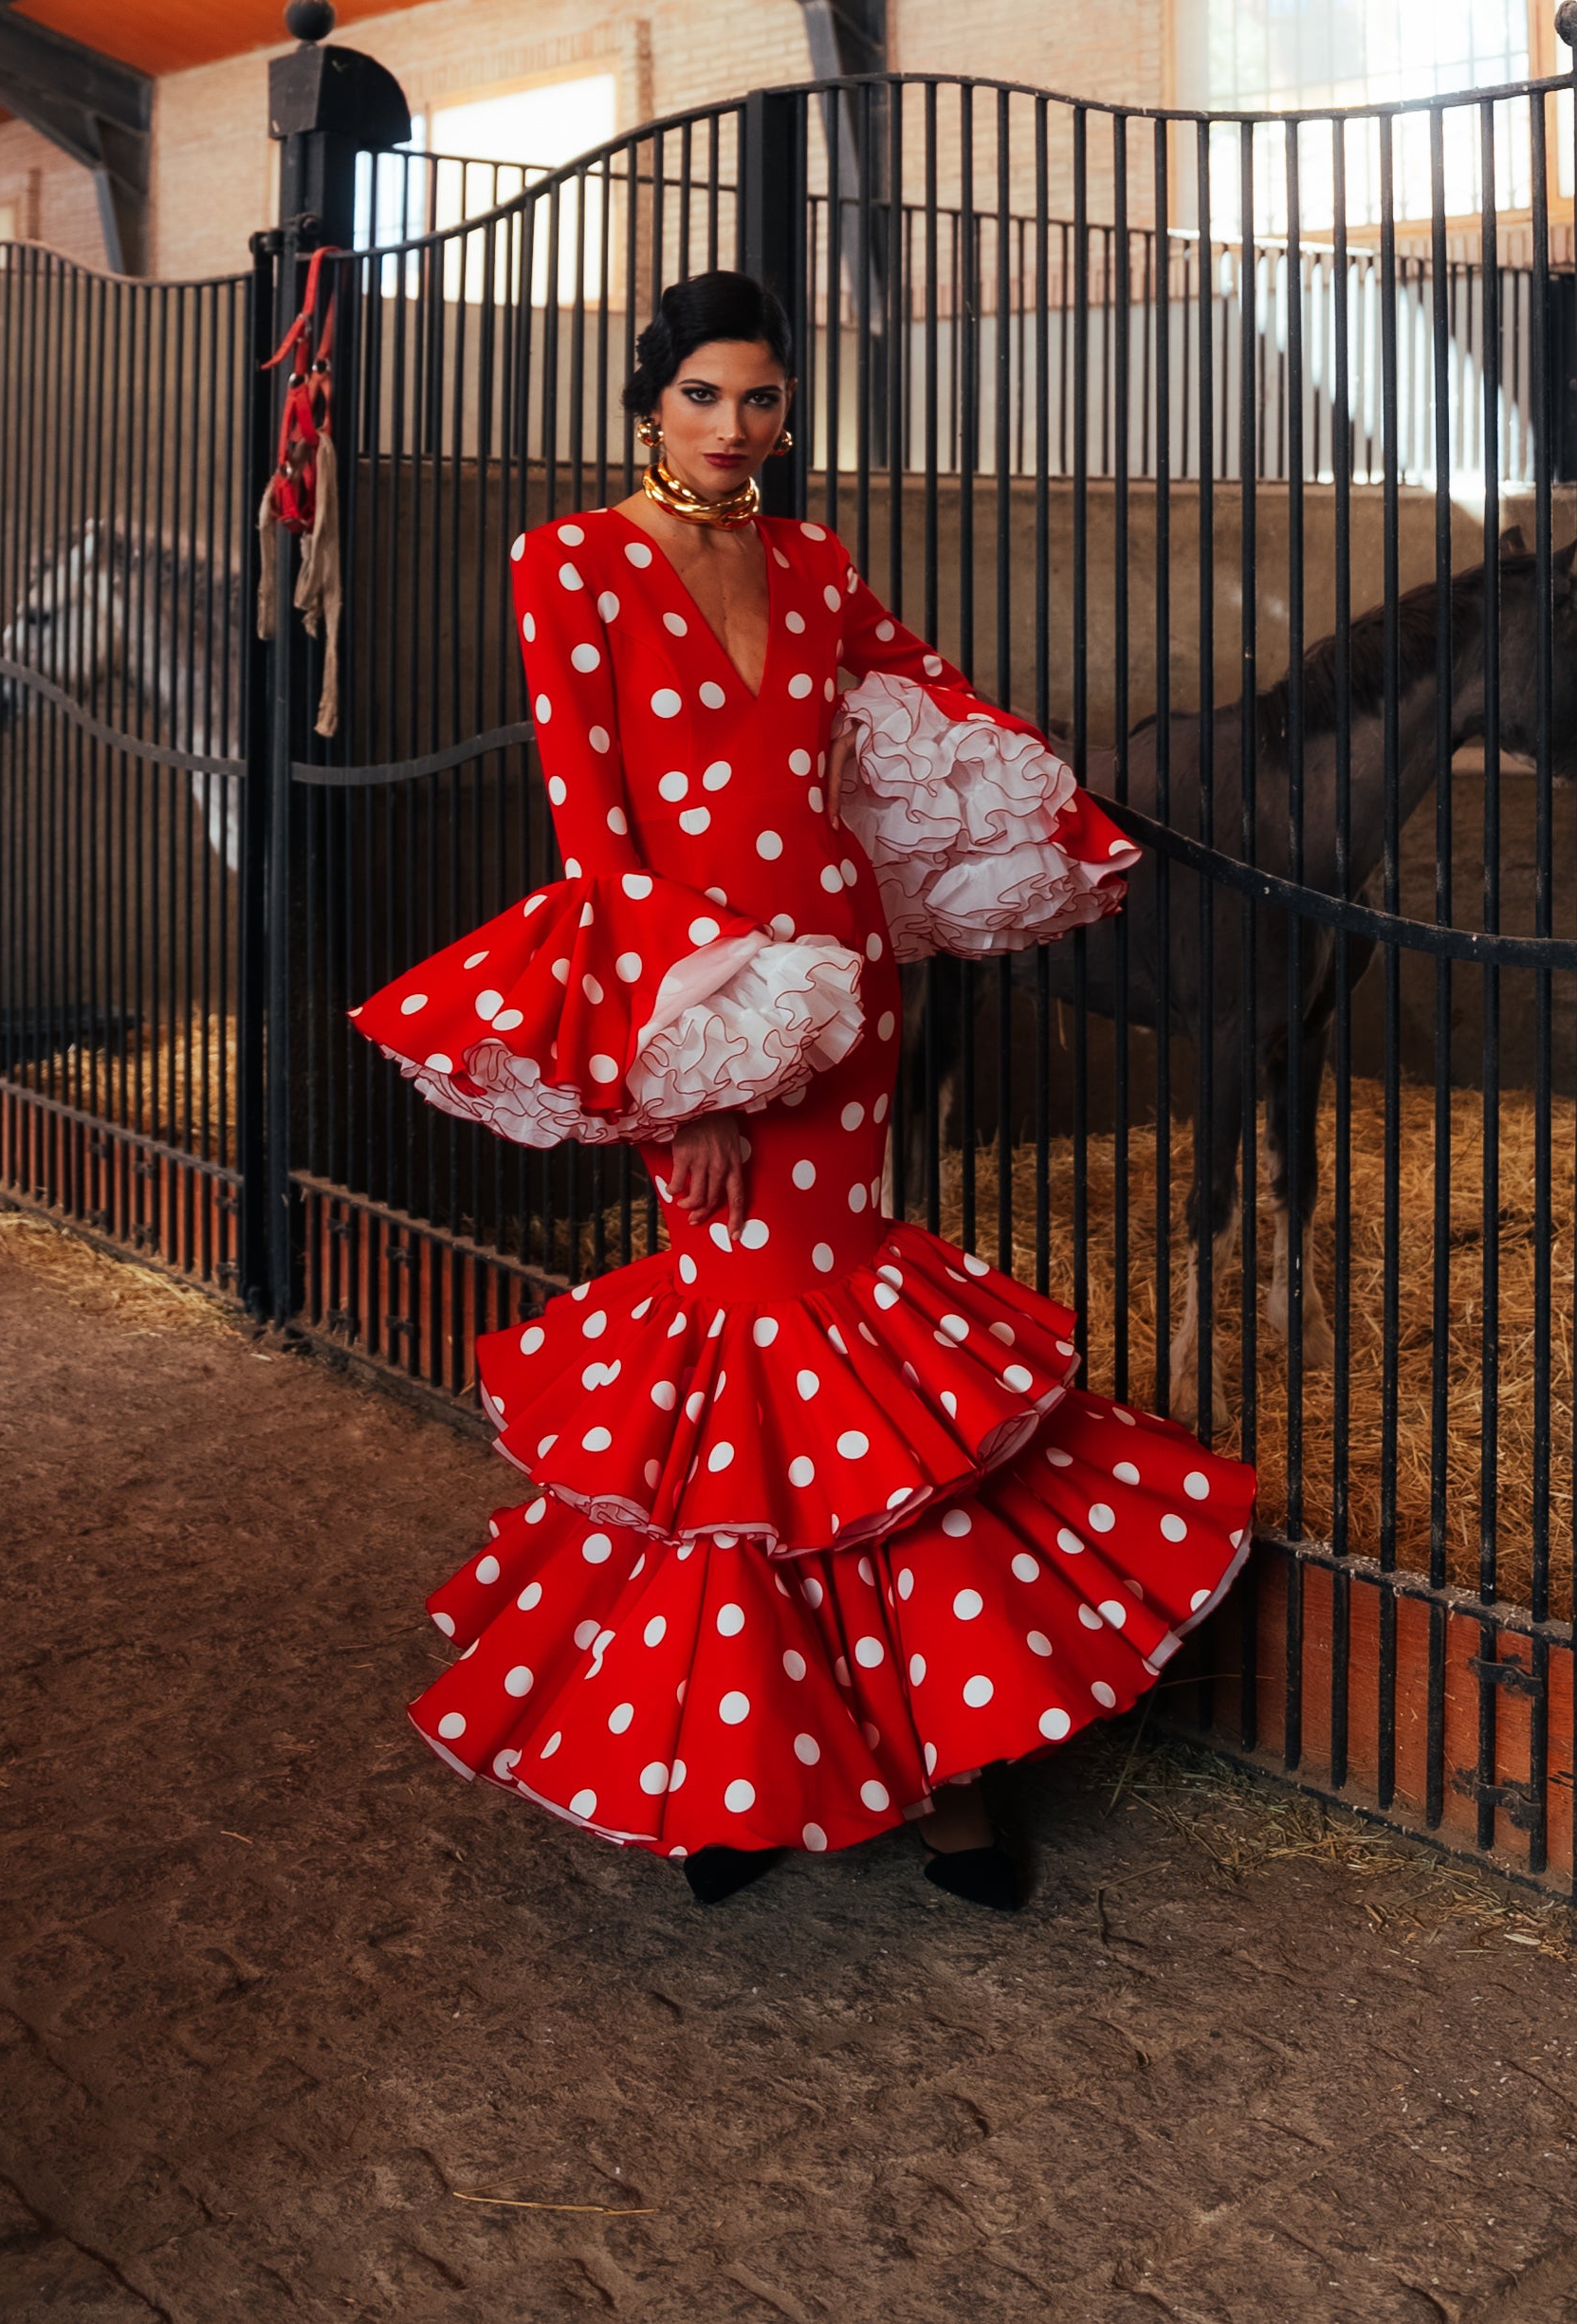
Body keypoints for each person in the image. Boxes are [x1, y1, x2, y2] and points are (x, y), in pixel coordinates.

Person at [351, 270, 1255, 1908]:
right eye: (706, 393)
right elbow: (594, 831)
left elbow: (926, 705)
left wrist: (1046, 828)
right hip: (710, 1011)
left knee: (850, 1344)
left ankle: (946, 1765)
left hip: (846, 992)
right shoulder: (570, 561)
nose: (737, 425)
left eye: (763, 397)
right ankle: (737, 1769)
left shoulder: (820, 563)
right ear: (650, 397)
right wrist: (676, 1077)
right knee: (746, 1359)